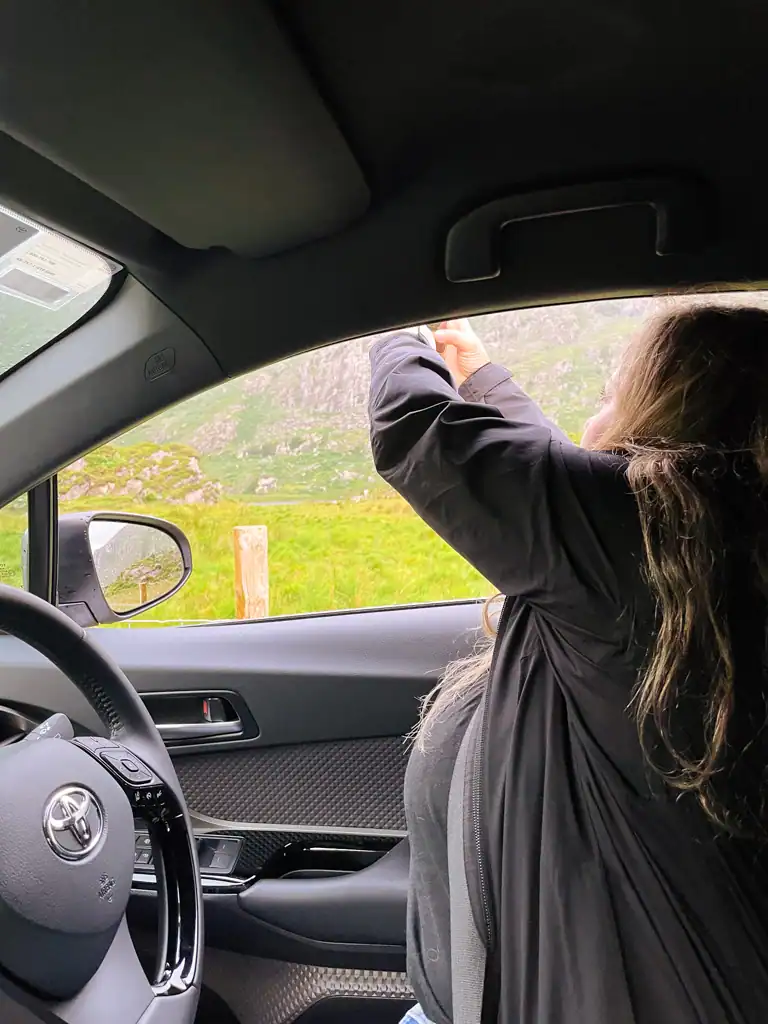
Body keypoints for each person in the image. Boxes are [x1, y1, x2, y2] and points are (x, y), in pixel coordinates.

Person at [369, 309, 768, 1024]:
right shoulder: (700, 551)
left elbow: (421, 437)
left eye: (618, 394)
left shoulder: (639, 540)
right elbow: (569, 495)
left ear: (672, 413)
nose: (597, 417)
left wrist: (394, 329)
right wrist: (486, 382)